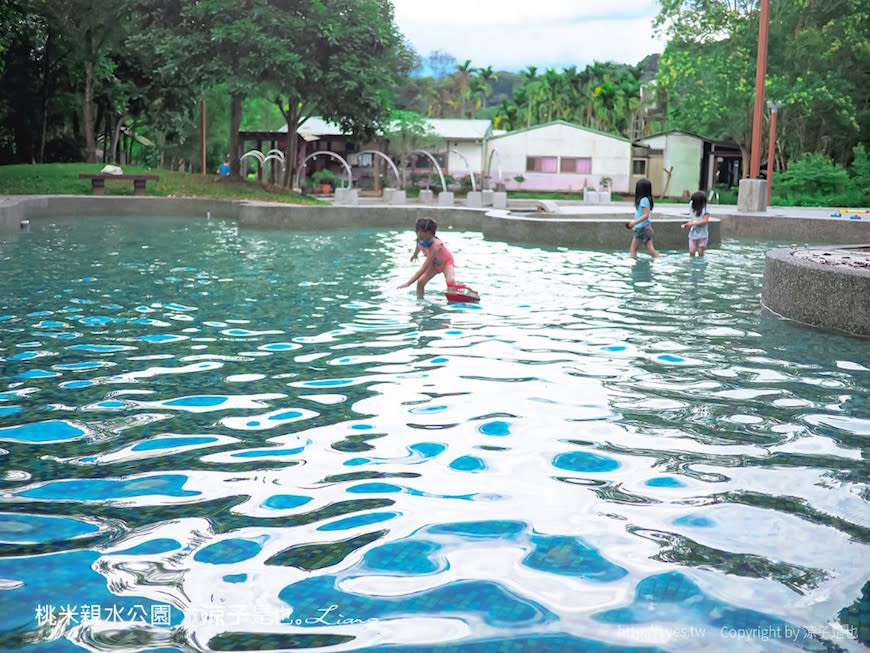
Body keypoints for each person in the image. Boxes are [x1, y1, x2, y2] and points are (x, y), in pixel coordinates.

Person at [399, 217, 461, 298]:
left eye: (427, 238)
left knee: (450, 281)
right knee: (420, 282)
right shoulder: (419, 240)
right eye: (421, 238)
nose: (424, 240)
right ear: (416, 233)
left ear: (433, 235)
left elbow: (423, 268)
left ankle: (454, 297)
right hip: (434, 265)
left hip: (446, 262)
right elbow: (418, 246)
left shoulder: (435, 247)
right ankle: (420, 300)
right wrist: (415, 255)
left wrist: (408, 283)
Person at [626, 178, 659, 258]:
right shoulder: (646, 200)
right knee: (651, 250)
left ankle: (635, 267)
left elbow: (646, 215)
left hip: (642, 229)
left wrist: (634, 223)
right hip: (645, 228)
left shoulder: (643, 200)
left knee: (633, 249)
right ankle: (660, 260)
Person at [681, 191, 711, 257]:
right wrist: (688, 224)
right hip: (692, 234)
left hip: (702, 235)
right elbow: (692, 220)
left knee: (700, 253)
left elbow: (705, 220)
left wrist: (692, 224)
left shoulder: (705, 210)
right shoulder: (693, 210)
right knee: (691, 252)